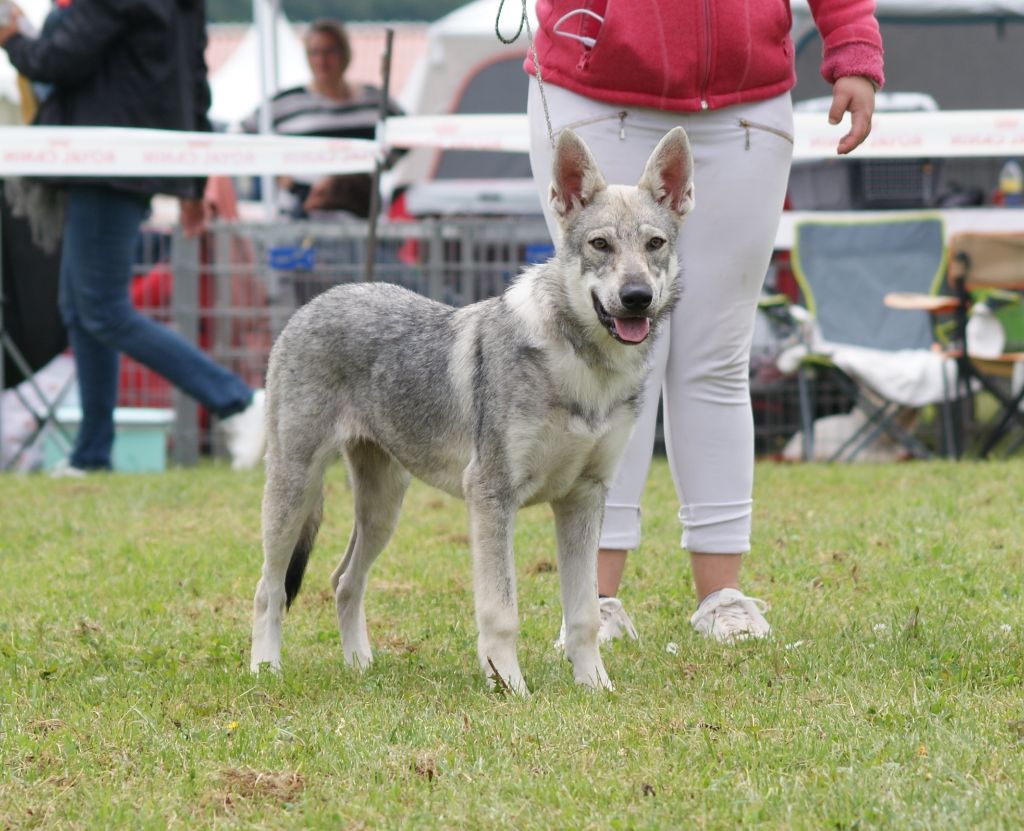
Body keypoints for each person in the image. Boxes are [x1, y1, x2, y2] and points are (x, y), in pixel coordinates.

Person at [525, 0, 882, 644]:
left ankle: (723, 597)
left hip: (748, 103)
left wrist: (853, 44)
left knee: (718, 359)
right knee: (609, 360)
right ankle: (593, 604)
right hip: (595, 85)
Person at [0, 0, 265, 474]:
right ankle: (92, 453)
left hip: (104, 163)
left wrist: (12, 35)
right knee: (81, 311)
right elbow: (193, 82)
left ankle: (239, 402)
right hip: (132, 161)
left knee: (101, 309)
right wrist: (193, 174)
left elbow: (58, 60)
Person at [239, 18, 404, 218]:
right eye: (314, 53)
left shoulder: (373, 101)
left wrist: (376, 168)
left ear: (345, 54)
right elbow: (243, 133)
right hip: (300, 212)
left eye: (329, 52)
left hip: (361, 213)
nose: (321, 61)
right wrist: (278, 174)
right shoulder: (286, 103)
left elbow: (407, 135)